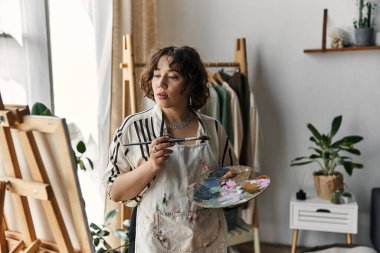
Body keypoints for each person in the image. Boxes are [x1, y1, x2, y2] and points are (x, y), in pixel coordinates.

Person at [103, 46, 238, 253]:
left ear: (190, 84)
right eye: (157, 75)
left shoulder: (213, 129)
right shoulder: (134, 128)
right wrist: (151, 166)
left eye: (173, 76)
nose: (161, 83)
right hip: (156, 243)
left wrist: (229, 184)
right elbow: (115, 192)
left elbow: (233, 184)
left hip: (205, 240)